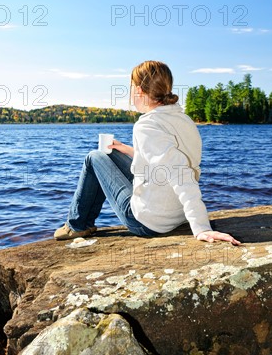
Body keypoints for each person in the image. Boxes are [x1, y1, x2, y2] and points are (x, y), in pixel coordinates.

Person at [54, 60, 241, 245]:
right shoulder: (183, 119)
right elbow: (163, 158)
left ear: (139, 91)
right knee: (108, 154)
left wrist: (202, 227)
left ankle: (77, 225)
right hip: (176, 214)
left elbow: (179, 172)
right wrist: (125, 150)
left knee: (94, 158)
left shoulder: (146, 125)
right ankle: (81, 223)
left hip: (148, 222)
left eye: (131, 88)